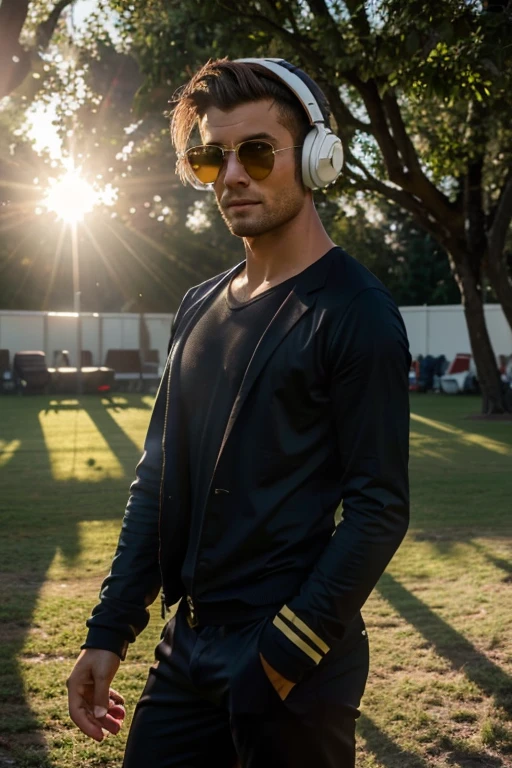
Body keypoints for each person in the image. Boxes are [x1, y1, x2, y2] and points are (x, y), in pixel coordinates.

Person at [67, 57, 411, 768]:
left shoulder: (357, 313)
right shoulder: (197, 307)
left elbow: (379, 507)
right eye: (209, 157)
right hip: (185, 646)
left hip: (292, 662)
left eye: (256, 151)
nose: (232, 176)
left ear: (316, 159)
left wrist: (283, 656)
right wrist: (109, 630)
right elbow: (157, 483)